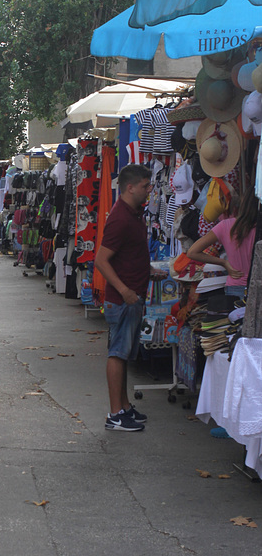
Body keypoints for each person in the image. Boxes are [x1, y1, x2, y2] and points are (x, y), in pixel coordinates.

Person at [95, 164, 159, 432]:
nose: (149, 189)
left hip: (132, 295)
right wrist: (123, 290)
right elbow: (101, 260)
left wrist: (147, 272)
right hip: (123, 299)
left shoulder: (133, 214)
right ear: (130, 187)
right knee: (118, 354)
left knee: (123, 354)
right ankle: (114, 414)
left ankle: (124, 407)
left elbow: (126, 255)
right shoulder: (121, 218)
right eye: (145, 185)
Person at [187, 185, 257, 299]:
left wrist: (223, 263)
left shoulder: (226, 226)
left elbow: (192, 252)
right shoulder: (257, 229)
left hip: (235, 287)